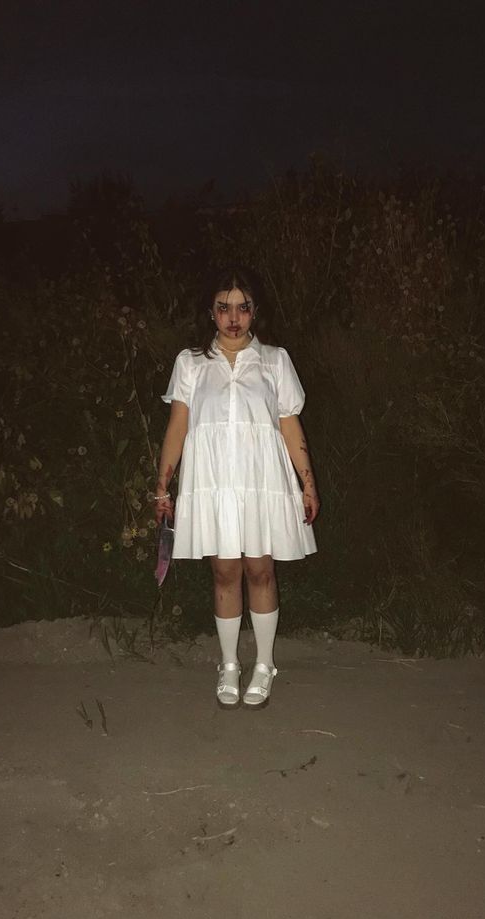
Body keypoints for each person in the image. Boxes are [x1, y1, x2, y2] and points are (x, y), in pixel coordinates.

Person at [154, 266, 320, 709]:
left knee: (261, 570)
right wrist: (162, 487)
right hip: (214, 482)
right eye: (223, 307)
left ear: (254, 312)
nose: (233, 317)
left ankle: (264, 664)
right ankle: (229, 663)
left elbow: (288, 425)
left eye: (242, 307)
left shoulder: (274, 360)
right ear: (211, 312)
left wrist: (308, 484)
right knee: (225, 571)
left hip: (261, 480)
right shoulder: (190, 363)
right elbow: (177, 428)